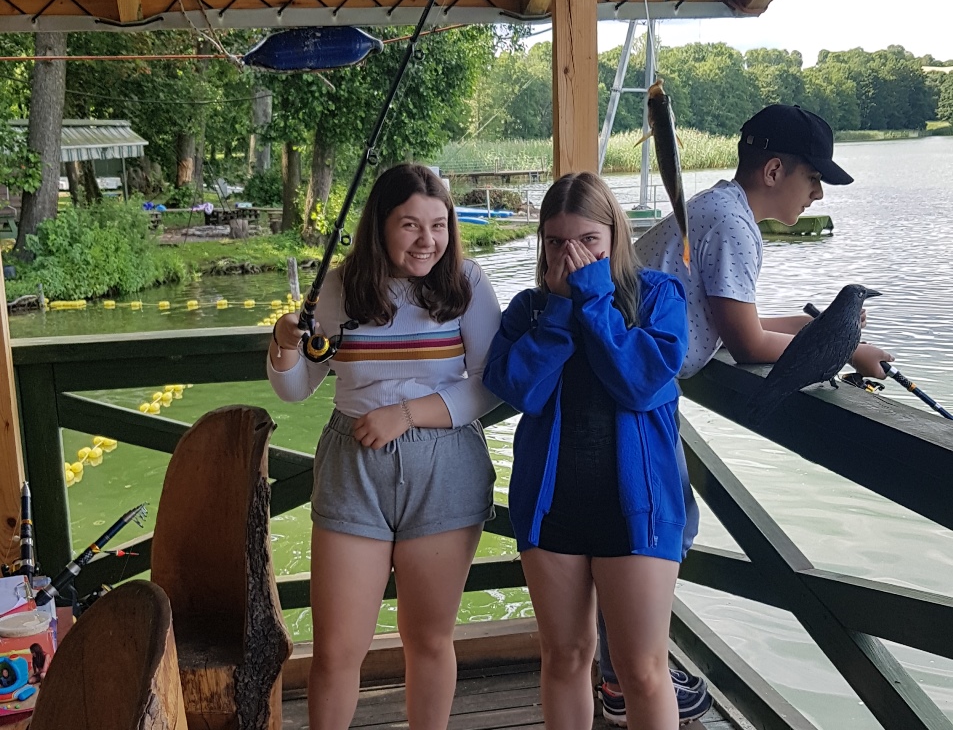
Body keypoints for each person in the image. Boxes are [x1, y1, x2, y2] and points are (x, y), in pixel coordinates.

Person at [595, 104, 895, 726]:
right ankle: (624, 675)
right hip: (629, 395)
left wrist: (830, 329)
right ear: (775, 170)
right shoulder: (733, 225)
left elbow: (739, 323)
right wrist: (849, 349)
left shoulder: (715, 207)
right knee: (655, 530)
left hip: (621, 384)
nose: (817, 193)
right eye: (814, 178)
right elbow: (750, 343)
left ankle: (620, 666)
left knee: (645, 527)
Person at [268, 163, 501, 730]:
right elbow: (297, 388)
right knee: (336, 649)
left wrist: (407, 414)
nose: (427, 241)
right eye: (410, 225)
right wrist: (283, 345)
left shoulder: (467, 283)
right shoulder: (339, 287)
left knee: (429, 638)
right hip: (354, 467)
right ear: (380, 225)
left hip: (445, 465)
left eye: (438, 225)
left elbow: (491, 384)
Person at [483, 172, 690, 730]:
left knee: (641, 669)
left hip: (638, 509)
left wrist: (595, 300)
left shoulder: (657, 296)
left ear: (615, 235)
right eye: (556, 242)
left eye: (588, 241)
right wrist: (558, 310)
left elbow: (640, 384)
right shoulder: (529, 309)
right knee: (566, 656)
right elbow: (520, 390)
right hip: (551, 507)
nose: (571, 255)